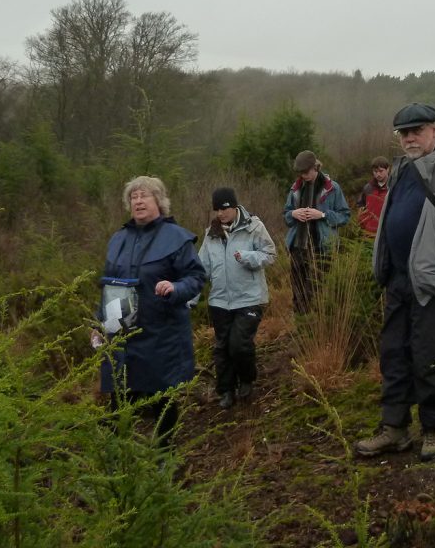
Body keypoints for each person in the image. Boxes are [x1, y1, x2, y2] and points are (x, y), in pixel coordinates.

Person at [355, 103, 435, 462]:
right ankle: (394, 429)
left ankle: (434, 429)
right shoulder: (402, 169)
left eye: (418, 130)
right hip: (398, 281)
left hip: (431, 285)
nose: (410, 137)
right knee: (393, 356)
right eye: (404, 132)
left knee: (427, 359)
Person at [98, 175, 206, 449]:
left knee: (162, 400)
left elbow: (196, 278)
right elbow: (108, 285)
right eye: (133, 197)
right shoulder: (118, 239)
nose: (138, 201)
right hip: (123, 336)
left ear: (159, 201)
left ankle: (163, 458)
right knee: (120, 399)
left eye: (144, 195)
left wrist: (175, 287)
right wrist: (99, 323)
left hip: (162, 336)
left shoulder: (176, 238)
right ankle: (121, 463)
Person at [198, 187, 277, 410]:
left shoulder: (254, 227)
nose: (221, 213)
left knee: (239, 344)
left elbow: (271, 254)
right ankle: (226, 391)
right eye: (217, 209)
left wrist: (249, 257)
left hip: (249, 298)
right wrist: (188, 297)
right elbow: (200, 269)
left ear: (234, 206)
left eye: (224, 208)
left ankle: (247, 378)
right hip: (219, 301)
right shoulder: (210, 234)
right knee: (222, 348)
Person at [283, 151, 351, 313]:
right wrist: (293, 214)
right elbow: (286, 216)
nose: (303, 176)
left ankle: (316, 329)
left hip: (323, 250)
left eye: (306, 172)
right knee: (298, 294)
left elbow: (345, 216)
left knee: (315, 293)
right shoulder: (295, 189)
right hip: (298, 248)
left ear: (315, 168)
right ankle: (301, 328)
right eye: (300, 173)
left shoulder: (332, 188)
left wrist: (322, 215)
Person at [357, 156, 391, 236]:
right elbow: (361, 207)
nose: (378, 174)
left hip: (387, 232)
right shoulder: (368, 188)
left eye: (381, 171)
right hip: (369, 233)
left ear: (388, 169)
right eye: (375, 171)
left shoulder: (394, 187)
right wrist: (362, 224)